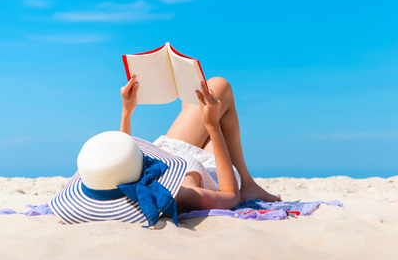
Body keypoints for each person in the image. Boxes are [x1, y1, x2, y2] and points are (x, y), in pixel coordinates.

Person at [118, 75, 280, 214]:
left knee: (196, 102)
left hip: (164, 158)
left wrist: (127, 111)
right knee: (217, 89)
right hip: (209, 173)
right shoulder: (185, 194)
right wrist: (213, 126)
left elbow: (120, 160)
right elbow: (231, 197)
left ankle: (248, 185)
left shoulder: (124, 176)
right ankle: (246, 185)